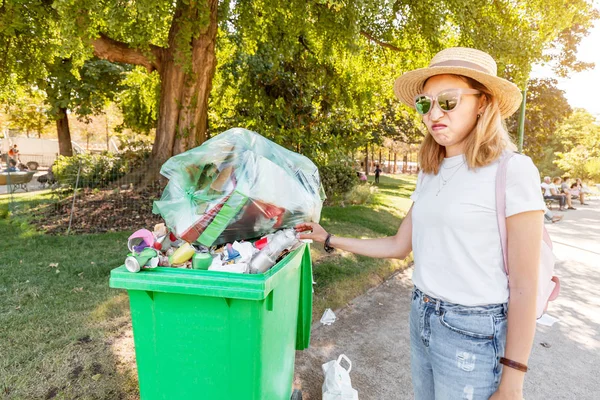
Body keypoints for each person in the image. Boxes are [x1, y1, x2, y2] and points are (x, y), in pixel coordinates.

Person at [296, 47, 545, 400]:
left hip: (473, 332)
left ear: (483, 103)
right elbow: (399, 245)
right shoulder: (432, 170)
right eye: (425, 104)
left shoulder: (513, 170)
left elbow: (524, 286)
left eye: (448, 101)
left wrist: (513, 382)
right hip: (422, 314)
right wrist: (329, 237)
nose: (432, 114)